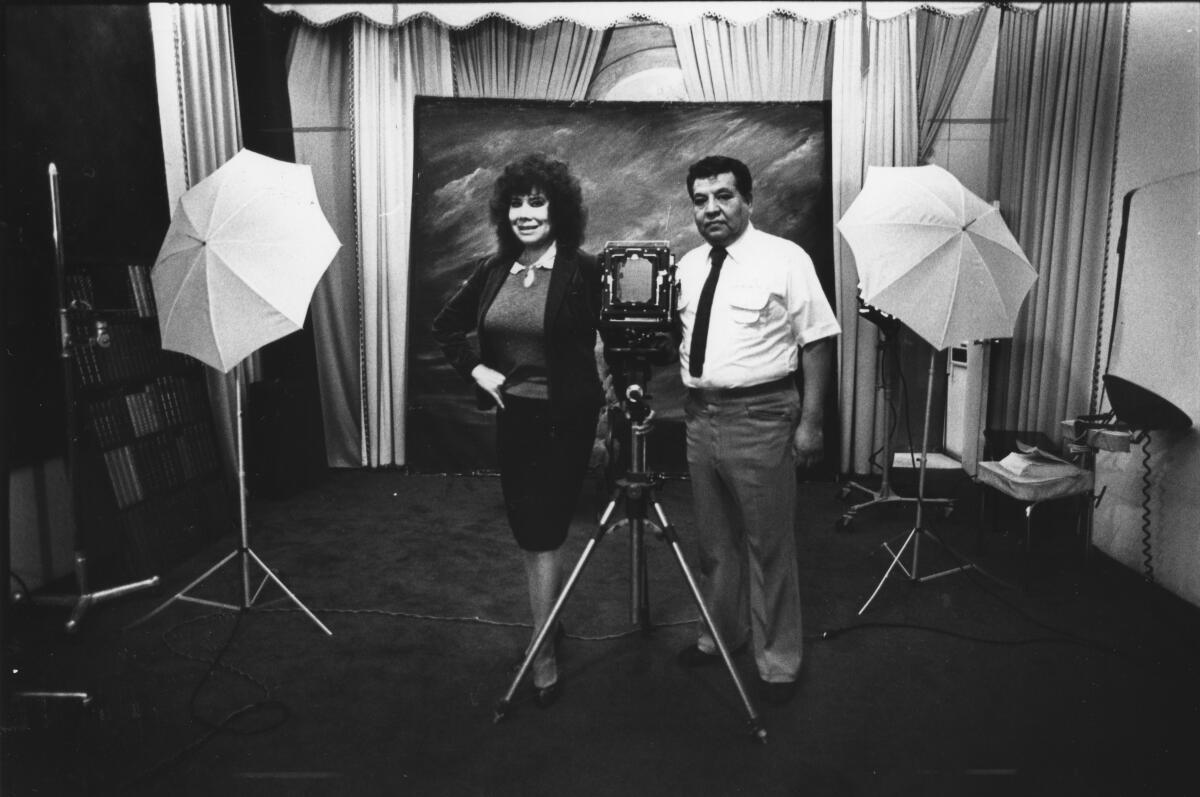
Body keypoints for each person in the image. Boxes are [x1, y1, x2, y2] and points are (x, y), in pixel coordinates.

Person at [431, 154, 603, 709]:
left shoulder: (584, 270)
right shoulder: (492, 270)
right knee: (530, 533)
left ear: (559, 208)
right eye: (516, 203)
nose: (525, 213)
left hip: (566, 422)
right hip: (515, 421)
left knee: (545, 530)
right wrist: (476, 369)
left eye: (537, 201)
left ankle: (544, 648)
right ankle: (547, 626)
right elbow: (446, 327)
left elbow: (617, 342)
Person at [673, 155, 840, 705]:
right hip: (700, 416)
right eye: (701, 200)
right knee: (715, 544)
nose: (711, 209)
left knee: (768, 545)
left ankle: (778, 662)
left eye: (723, 196)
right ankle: (721, 636)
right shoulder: (689, 266)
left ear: (748, 199)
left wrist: (812, 423)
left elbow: (817, 341)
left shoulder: (785, 259)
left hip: (762, 416)